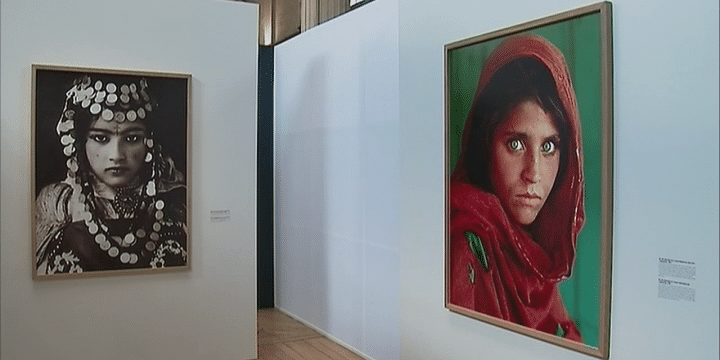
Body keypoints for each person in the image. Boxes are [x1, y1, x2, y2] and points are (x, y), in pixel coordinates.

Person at [449, 35, 585, 341]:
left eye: (549, 146)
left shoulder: (538, 259)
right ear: (486, 143)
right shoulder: (465, 248)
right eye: (515, 143)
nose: (533, 173)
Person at [35, 74, 188, 274]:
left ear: (149, 142)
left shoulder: (175, 202)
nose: (116, 155)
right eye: (100, 138)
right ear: (81, 143)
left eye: (132, 138)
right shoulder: (58, 206)